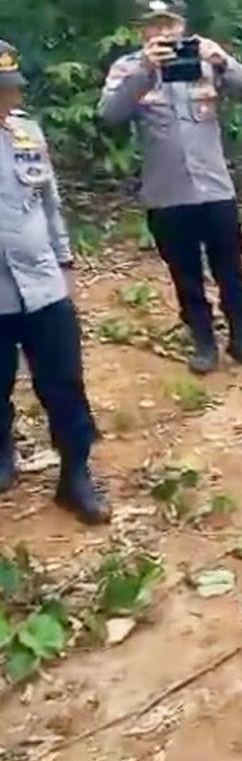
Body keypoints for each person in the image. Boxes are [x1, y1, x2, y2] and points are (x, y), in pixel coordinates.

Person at [97, 0, 242, 375]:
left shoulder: (206, 61)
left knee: (231, 269)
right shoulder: (128, 68)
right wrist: (144, 70)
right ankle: (203, 342)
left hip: (215, 189)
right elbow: (109, 115)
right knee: (185, 274)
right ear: (141, 30)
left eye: (170, 24)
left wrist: (224, 61)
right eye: (154, 25)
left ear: (182, 25)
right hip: (166, 195)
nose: (163, 31)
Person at [0, 40, 107, 525]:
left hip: (43, 282)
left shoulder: (27, 132)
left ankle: (75, 474)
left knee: (64, 383)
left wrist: (64, 261)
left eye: (11, 89)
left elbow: (49, 204)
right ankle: (4, 453)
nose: (10, 99)